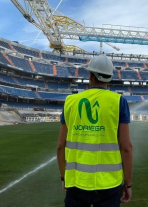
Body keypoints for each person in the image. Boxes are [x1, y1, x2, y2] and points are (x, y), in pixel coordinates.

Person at [56, 55, 133, 207]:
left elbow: (60, 145)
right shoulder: (119, 101)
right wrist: (128, 184)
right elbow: (126, 147)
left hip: (76, 182)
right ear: (109, 77)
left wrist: (64, 177)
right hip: (109, 183)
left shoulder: (70, 101)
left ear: (90, 75)